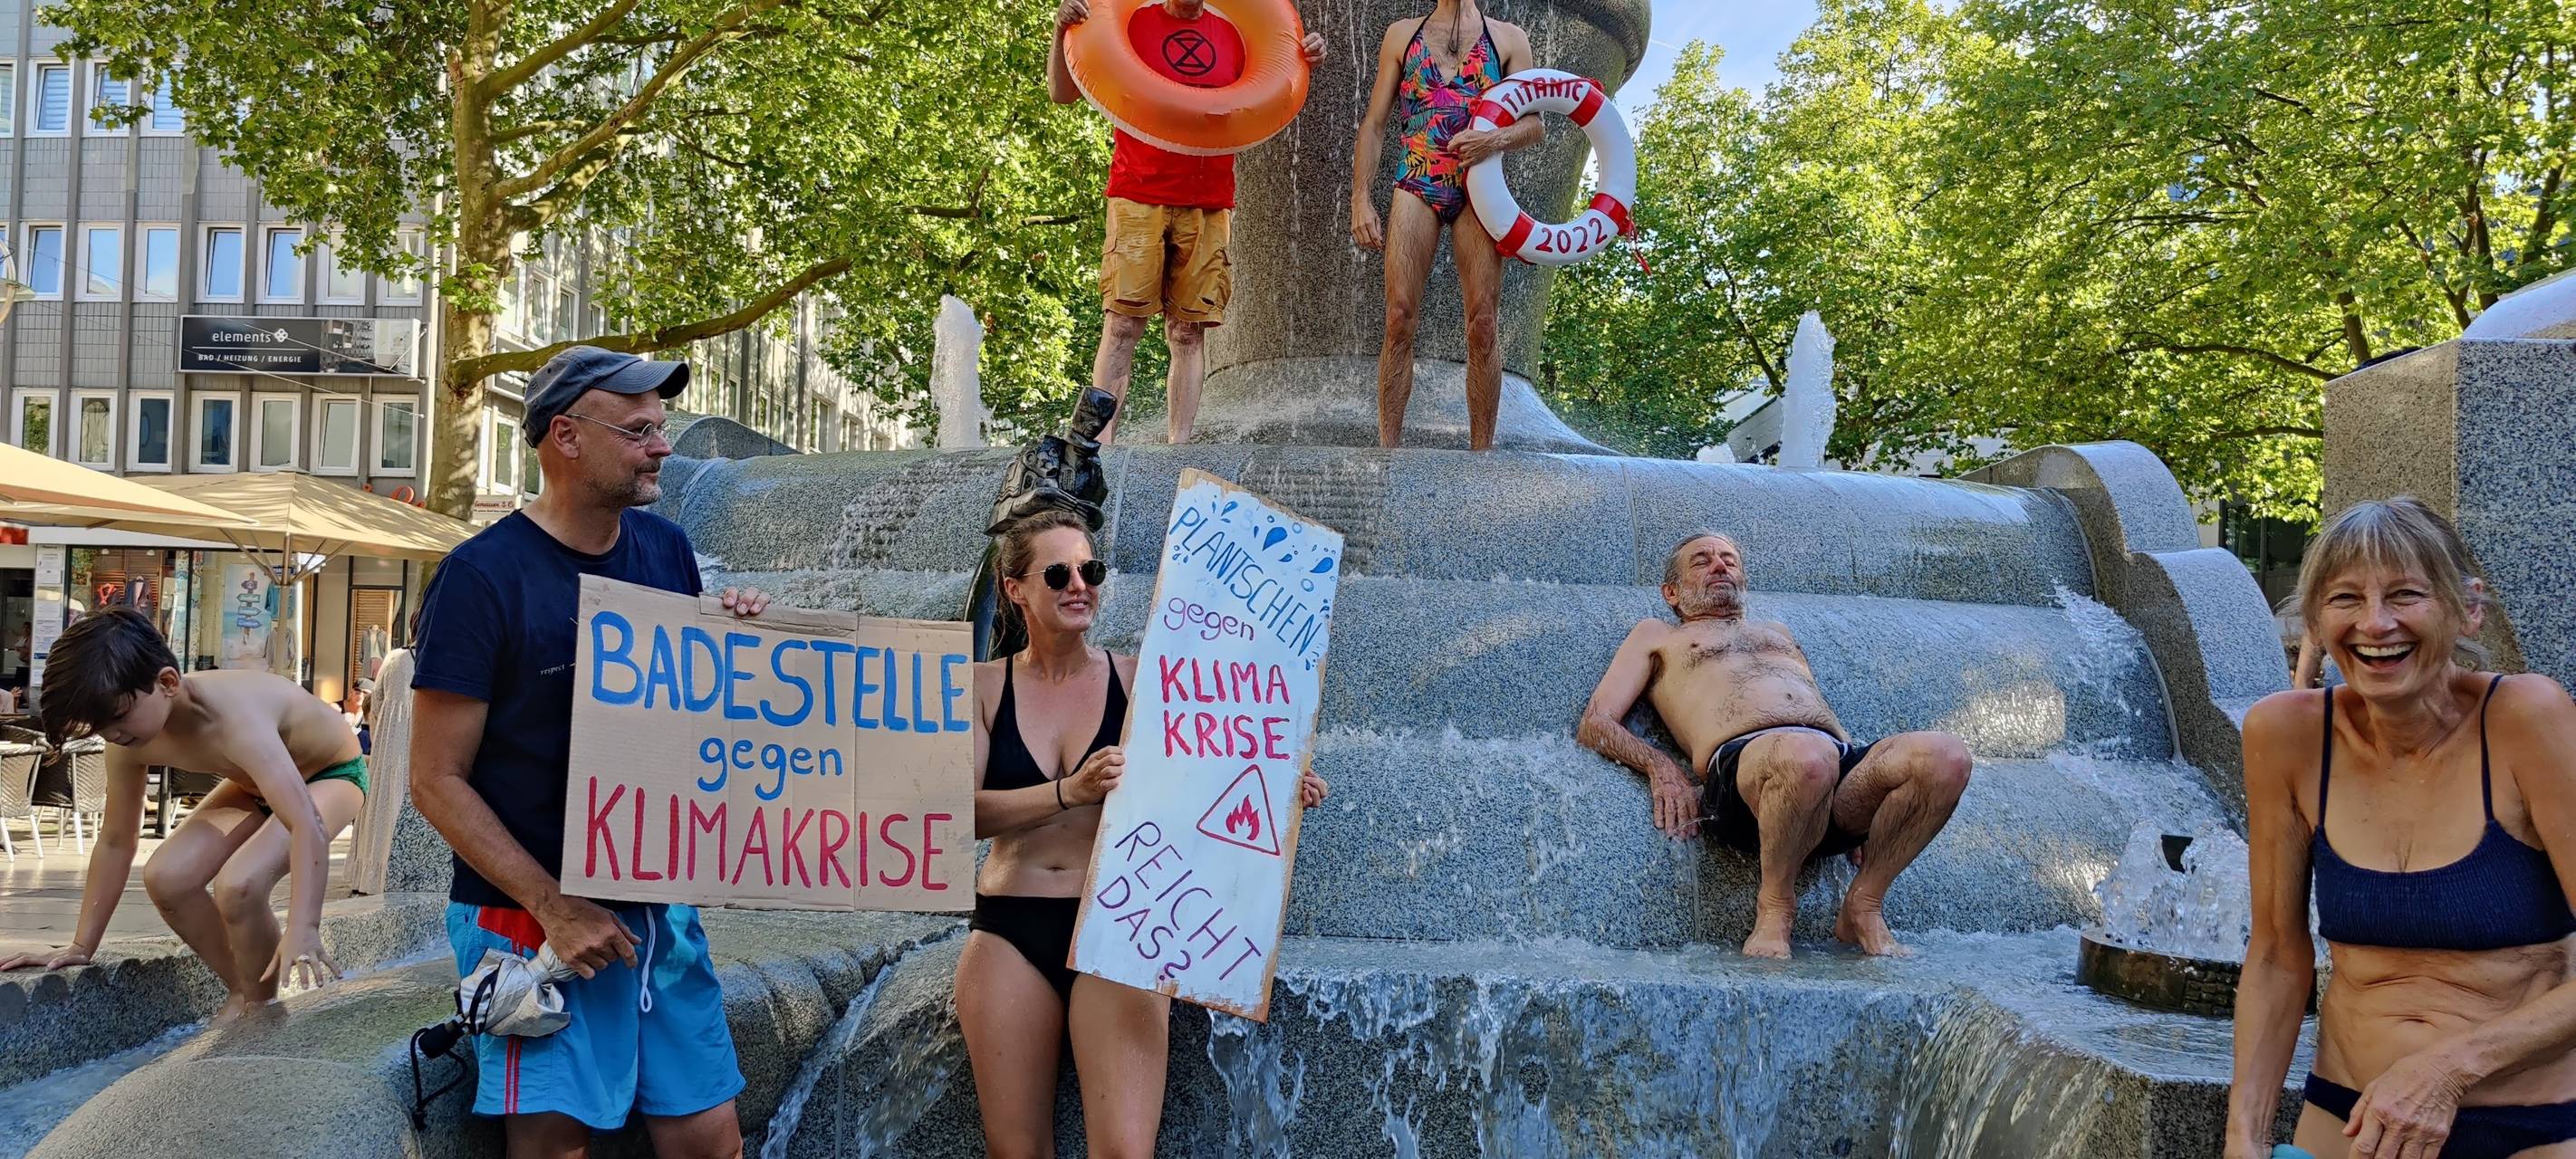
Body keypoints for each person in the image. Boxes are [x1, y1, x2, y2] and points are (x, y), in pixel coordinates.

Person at [409, 347, 772, 1158]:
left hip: (657, 909)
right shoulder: (479, 577)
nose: (662, 446)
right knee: (556, 1147)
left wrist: (739, 642)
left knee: (712, 1140)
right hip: (528, 918)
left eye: (662, 427)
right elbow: (434, 781)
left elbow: (687, 720)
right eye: (639, 428)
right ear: (566, 437)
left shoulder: (666, 551)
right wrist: (555, 908)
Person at [956, 510, 1327, 1157]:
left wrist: (1278, 784)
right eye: (1058, 572)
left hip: (1128, 922)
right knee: (1014, 1151)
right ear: (1014, 588)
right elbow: (956, 812)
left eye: (1090, 570)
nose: (1080, 584)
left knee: (1125, 1152)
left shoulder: (1146, 680)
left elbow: (1211, 775)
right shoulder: (982, 688)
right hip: (1009, 927)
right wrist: (1068, 792)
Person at [2225, 498, 2576, 1159]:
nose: (2375, 624)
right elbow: (2274, 956)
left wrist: (2446, 1070)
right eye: (2345, 599)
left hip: (2527, 1129)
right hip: (2347, 1122)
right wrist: (2243, 1135)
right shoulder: (2286, 734)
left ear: (2466, 607)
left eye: (2406, 595)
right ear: (2317, 620)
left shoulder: (2528, 718)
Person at [1576, 532, 1973, 958]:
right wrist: (1661, 768)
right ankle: (1776, 906)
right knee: (1807, 757)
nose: (1720, 566)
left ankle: (1864, 902)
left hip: (1828, 761)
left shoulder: (1776, 631)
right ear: (1671, 592)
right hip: (1747, 777)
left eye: (1729, 559)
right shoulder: (1657, 635)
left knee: (1945, 757)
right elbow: (1595, 722)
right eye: (1702, 561)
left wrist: (1869, 789)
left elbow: (1812, 704)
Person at [0, 608, 365, 1019]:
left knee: (239, 884)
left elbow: (305, 823)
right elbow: (118, 840)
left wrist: (305, 925)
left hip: (332, 775)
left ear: (168, 682)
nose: (113, 735)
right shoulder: (126, 741)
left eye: (119, 717)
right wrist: (82, 945)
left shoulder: (234, 719)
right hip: (253, 785)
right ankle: (246, 992)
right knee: (167, 877)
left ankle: (264, 1008)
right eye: (100, 726)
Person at [1047, 0, 1327, 445]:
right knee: (1121, 325)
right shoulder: (1136, 22)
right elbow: (1063, 93)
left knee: (1188, 330)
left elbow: (1274, 86)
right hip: (1139, 192)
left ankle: (1179, 448)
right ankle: (1095, 448)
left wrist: (1303, 53)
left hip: (1208, 202)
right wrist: (1060, 32)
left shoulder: (1234, 33)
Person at [1349, 0, 1540, 451]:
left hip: (1480, 186)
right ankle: (1388, 454)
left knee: (1484, 323)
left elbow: (1534, 126)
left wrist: (1492, 138)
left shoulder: (1509, 39)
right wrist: (1360, 198)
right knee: (1398, 318)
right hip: (1416, 177)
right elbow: (1374, 125)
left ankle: (1481, 457)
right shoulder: (1401, 35)